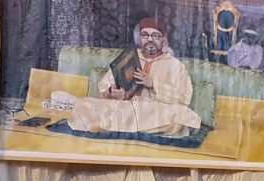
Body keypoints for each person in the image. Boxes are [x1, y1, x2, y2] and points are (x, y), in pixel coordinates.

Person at [68, 17, 201, 138]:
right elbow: (104, 86)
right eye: (145, 35)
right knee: (83, 105)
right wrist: (112, 91)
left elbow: (184, 97)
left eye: (155, 35)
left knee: (177, 116)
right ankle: (130, 127)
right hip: (125, 109)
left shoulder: (175, 66)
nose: (150, 39)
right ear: (139, 38)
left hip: (153, 111)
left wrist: (153, 84)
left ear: (164, 40)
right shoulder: (128, 57)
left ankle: (111, 126)